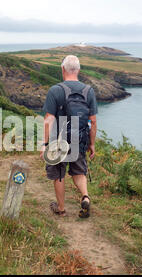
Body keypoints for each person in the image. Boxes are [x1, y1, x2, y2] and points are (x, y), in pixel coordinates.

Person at [40, 55, 98, 218]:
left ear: (62, 69)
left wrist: (45, 145)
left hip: (59, 140)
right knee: (79, 172)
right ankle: (85, 197)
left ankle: (61, 208)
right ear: (78, 70)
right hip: (79, 138)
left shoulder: (56, 90)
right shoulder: (89, 91)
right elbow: (93, 121)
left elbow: (49, 119)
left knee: (59, 173)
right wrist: (92, 144)